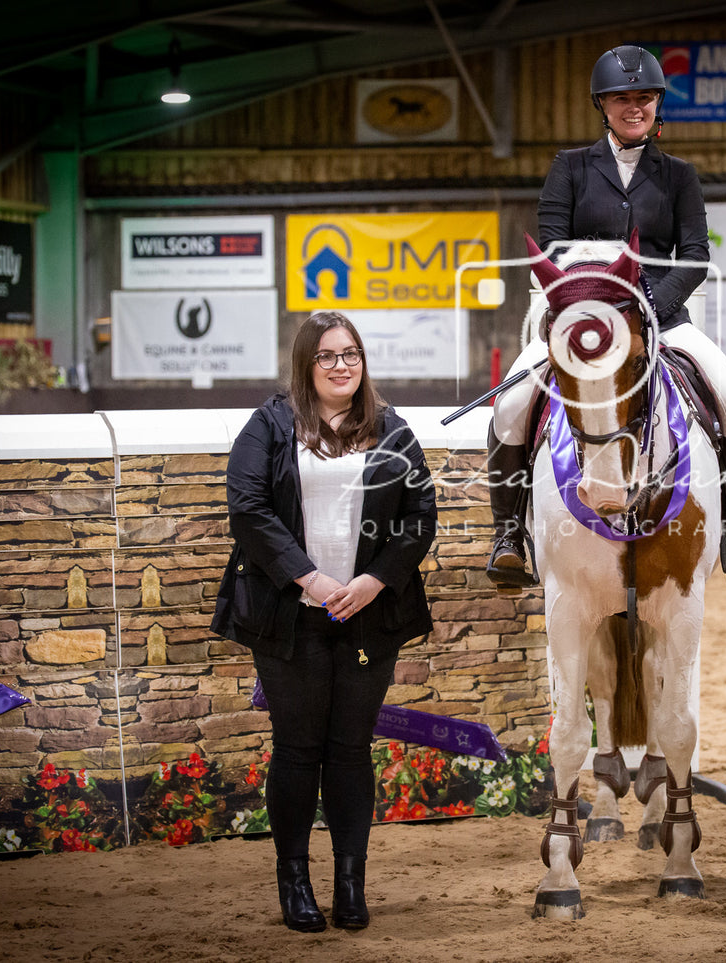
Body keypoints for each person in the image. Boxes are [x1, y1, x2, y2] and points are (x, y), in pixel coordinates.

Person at [485, 43, 726, 589]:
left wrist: (650, 309)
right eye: (622, 98)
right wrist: (583, 310)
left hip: (663, 319)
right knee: (512, 404)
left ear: (657, 104)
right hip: (581, 322)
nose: (634, 107)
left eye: (644, 97)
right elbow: (552, 248)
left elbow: (695, 256)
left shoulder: (679, 175)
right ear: (603, 105)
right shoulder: (570, 167)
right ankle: (509, 537)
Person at [211, 311, 437, 933]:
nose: (342, 366)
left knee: (350, 750)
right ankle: (295, 884)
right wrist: (310, 579)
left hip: (368, 616)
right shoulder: (269, 425)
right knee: (297, 749)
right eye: (328, 356)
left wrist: (373, 582)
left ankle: (349, 884)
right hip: (292, 615)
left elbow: (420, 516)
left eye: (351, 354)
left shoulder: (392, 428)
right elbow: (248, 510)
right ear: (306, 364)